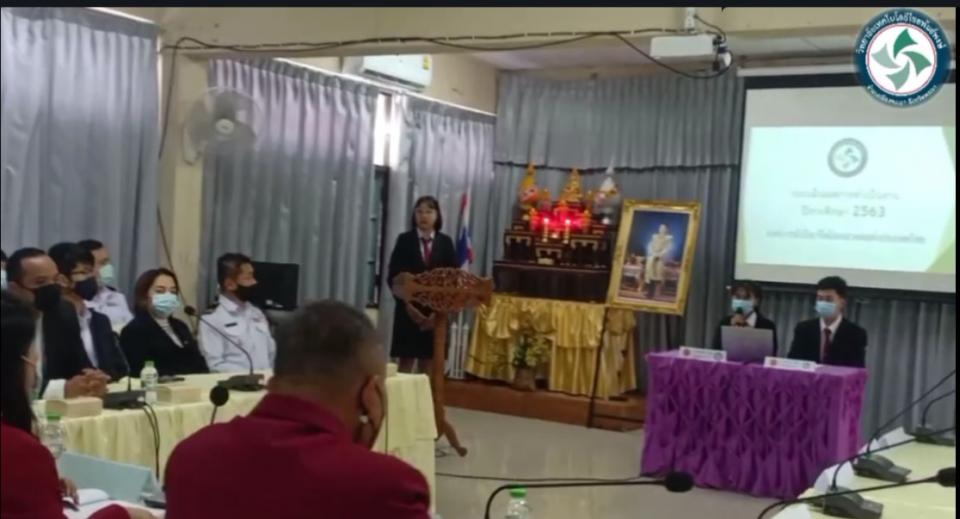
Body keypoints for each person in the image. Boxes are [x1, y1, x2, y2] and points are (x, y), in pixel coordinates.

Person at [164, 300, 431, 518]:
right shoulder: (389, 487)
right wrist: (360, 452)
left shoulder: (192, 455)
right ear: (371, 395)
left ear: (274, 378)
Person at [1, 291, 151, 519]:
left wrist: (39, 486)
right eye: (33, 354)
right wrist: (121, 514)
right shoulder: (19, 451)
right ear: (18, 364)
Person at [5, 248, 108, 400]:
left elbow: (80, 365)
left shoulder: (63, 312)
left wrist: (91, 380)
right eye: (40, 282)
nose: (51, 287)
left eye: (55, 279)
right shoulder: (6, 321)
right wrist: (61, 389)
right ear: (14, 289)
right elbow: (10, 385)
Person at [387, 196, 457, 374]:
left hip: (435, 315)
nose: (423, 216)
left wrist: (437, 312)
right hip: (407, 313)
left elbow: (453, 280)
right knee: (405, 366)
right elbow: (393, 277)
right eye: (419, 212)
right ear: (414, 215)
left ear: (437, 215)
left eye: (429, 211)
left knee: (427, 367)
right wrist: (408, 306)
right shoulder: (404, 240)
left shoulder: (445, 243)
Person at [48, 243, 126, 381]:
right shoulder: (50, 322)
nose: (92, 277)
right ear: (62, 280)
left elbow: (117, 367)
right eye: (83, 272)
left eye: (91, 271)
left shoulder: (100, 320)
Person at [120, 268, 208, 376]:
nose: (168, 296)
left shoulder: (181, 326)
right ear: (144, 295)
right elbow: (140, 371)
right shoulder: (134, 330)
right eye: (160, 291)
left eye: (173, 292)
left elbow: (200, 364)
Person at [200, 253, 275, 373]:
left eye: (253, 276)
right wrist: (250, 376)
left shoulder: (256, 312)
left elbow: (270, 352)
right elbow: (216, 365)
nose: (254, 282)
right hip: (237, 383)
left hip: (265, 380)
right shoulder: (212, 318)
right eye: (248, 278)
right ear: (230, 284)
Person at [788, 276, 867, 368]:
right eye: (820, 299)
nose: (823, 303)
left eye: (829, 299)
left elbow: (856, 370)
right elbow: (793, 363)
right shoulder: (804, 329)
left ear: (842, 303)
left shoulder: (856, 334)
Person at [77, 239, 133, 330]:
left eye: (108, 261)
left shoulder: (117, 297)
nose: (108, 266)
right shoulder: (76, 302)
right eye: (102, 263)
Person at [711, 280, 778, 355]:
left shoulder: (768, 326)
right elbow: (716, 352)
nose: (741, 301)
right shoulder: (725, 322)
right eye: (738, 297)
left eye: (746, 298)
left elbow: (771, 355)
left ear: (757, 301)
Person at [644, 224, 674, 298]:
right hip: (652, 257)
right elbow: (650, 245)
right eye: (660, 228)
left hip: (660, 259)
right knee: (650, 275)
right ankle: (649, 293)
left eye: (663, 228)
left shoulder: (668, 238)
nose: (661, 229)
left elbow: (668, 248)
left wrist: (660, 254)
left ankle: (653, 293)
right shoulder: (654, 236)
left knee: (656, 276)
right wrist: (652, 253)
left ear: (666, 230)